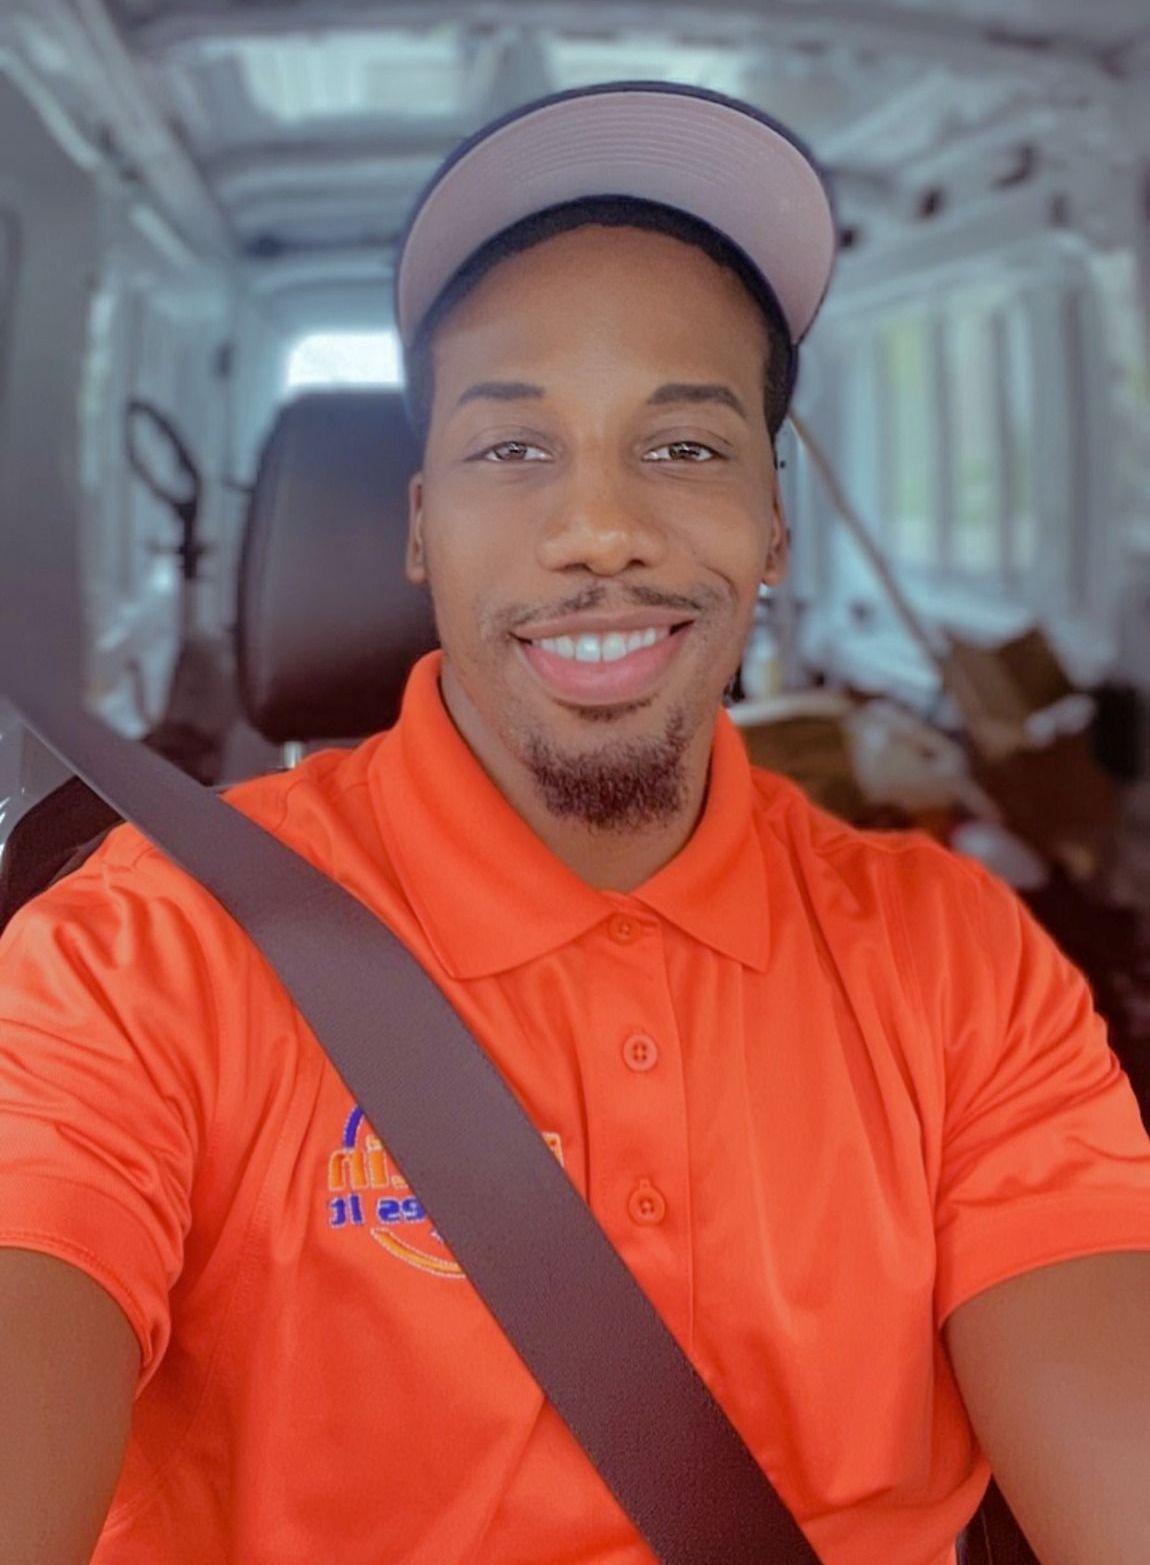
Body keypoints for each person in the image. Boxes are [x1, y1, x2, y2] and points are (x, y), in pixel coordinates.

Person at [1, 82, 1148, 1565]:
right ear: (419, 525)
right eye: (510, 450)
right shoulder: (138, 954)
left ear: (774, 521)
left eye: (681, 448)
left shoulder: (957, 959)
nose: (599, 526)